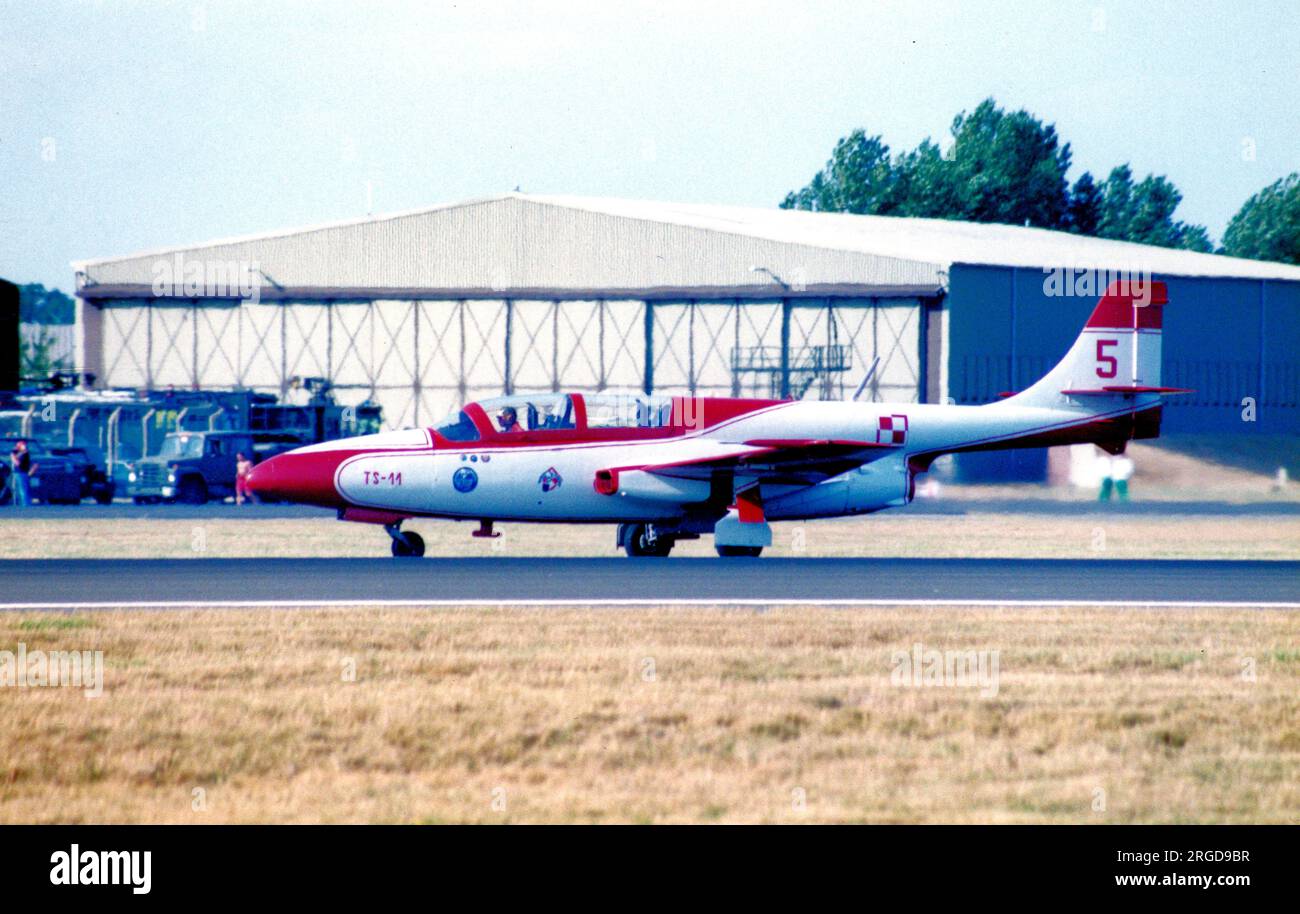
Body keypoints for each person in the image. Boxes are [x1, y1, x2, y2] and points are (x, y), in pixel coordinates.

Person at [9, 440, 36, 507]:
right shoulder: (17, 453)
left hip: (23, 472)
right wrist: (17, 453)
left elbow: (21, 462)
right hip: (19, 472)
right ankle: (24, 503)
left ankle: (26, 503)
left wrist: (13, 456)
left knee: (24, 488)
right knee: (21, 488)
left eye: (24, 444)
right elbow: (16, 460)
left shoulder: (26, 453)